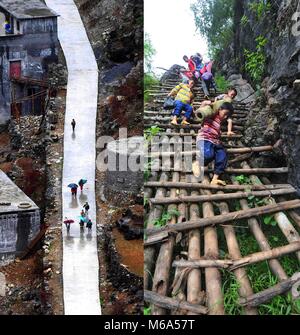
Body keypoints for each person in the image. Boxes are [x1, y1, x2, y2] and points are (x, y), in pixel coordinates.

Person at [193, 102, 235, 186]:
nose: (226, 116)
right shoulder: (211, 115)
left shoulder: (219, 122)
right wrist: (205, 103)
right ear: (219, 109)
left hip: (215, 142)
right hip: (205, 139)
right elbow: (199, 113)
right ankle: (197, 163)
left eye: (228, 115)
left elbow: (217, 132)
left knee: (223, 156)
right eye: (225, 113)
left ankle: (215, 179)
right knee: (209, 155)